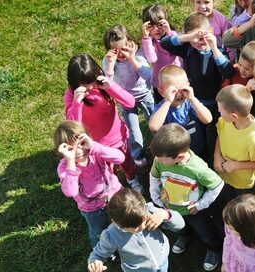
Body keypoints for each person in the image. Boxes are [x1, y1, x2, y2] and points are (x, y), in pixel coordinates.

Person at [161, 13, 236, 164]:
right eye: (195, 39)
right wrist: (188, 38)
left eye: (203, 37)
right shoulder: (188, 49)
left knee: (216, 132)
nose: (199, 42)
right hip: (193, 102)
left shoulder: (217, 51)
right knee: (197, 134)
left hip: (215, 102)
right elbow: (164, 43)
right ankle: (200, 159)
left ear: (211, 31)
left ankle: (217, 155)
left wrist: (214, 48)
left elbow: (228, 71)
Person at [148, 124, 225, 271]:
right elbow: (154, 176)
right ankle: (185, 236)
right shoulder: (160, 159)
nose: (158, 161)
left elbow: (217, 185)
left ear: (180, 157)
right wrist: (155, 196)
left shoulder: (197, 168)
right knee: (178, 227)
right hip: (169, 207)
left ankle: (213, 248)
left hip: (194, 211)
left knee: (206, 233)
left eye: (162, 159)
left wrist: (201, 205)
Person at [64, 53, 142, 192]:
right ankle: (114, 186)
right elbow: (73, 125)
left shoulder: (104, 85)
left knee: (126, 161)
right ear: (74, 83)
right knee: (106, 171)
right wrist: (77, 103)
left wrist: (110, 87)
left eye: (91, 82)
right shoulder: (71, 95)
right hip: (95, 146)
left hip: (117, 138)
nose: (89, 88)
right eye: (84, 84)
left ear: (97, 73)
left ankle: (131, 178)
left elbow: (130, 103)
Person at [54, 121, 123, 249]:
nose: (79, 151)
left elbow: (120, 158)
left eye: (81, 144)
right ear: (63, 151)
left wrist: (94, 146)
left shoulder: (95, 151)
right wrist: (70, 162)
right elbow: (70, 192)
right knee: (98, 232)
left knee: (122, 222)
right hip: (92, 209)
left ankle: (124, 241)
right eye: (71, 149)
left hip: (115, 196)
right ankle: (102, 252)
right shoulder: (64, 167)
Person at [87, 188, 185, 272]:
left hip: (162, 260)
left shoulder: (150, 212)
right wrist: (95, 262)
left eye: (143, 221)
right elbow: (98, 254)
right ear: (116, 223)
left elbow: (180, 225)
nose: (142, 227)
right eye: (135, 227)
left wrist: (165, 214)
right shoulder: (112, 236)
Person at [103, 24, 154, 167]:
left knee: (155, 124)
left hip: (144, 95)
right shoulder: (108, 61)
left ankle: (161, 146)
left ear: (131, 43)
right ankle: (137, 154)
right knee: (133, 130)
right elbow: (108, 85)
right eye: (115, 50)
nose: (120, 54)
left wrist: (132, 59)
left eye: (124, 49)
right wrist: (109, 67)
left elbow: (148, 76)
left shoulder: (138, 56)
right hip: (125, 100)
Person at [148, 65, 213, 158]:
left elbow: (208, 119)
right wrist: (168, 101)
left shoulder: (189, 102)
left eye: (183, 89)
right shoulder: (162, 108)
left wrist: (192, 98)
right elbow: (153, 126)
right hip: (174, 152)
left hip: (195, 148)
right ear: (162, 92)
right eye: (173, 91)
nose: (179, 94)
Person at [214, 84, 255, 195]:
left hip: (243, 185)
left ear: (234, 116)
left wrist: (235, 165)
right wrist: (217, 156)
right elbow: (220, 135)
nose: (218, 111)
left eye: (220, 110)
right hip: (225, 176)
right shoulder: (224, 120)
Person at [141, 4, 183, 103]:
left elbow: (176, 49)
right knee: (162, 108)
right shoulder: (149, 42)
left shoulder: (172, 36)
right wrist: (146, 38)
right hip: (159, 84)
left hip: (177, 80)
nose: (156, 29)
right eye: (151, 26)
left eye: (159, 25)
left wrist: (169, 32)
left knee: (181, 105)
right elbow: (152, 59)